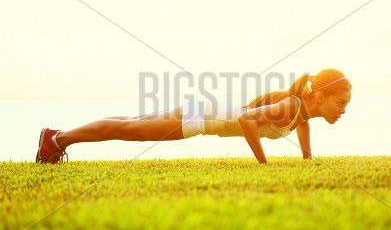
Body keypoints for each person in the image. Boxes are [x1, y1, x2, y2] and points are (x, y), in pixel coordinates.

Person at [35, 68, 352, 164]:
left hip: (202, 110)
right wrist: (263, 164)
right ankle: (58, 139)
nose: (343, 110)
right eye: (340, 103)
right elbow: (247, 120)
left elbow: (304, 124)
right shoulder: (292, 107)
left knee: (129, 123)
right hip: (200, 118)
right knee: (129, 130)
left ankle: (57, 137)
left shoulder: (300, 110)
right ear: (320, 96)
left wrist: (308, 159)